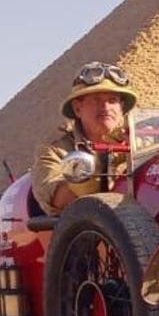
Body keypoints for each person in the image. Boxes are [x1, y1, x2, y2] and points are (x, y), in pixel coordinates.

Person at [31, 61, 137, 215]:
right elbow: (58, 199)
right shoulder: (55, 149)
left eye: (112, 100)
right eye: (96, 100)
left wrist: (142, 151)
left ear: (121, 109)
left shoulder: (140, 139)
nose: (106, 107)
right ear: (77, 108)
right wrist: (100, 163)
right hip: (86, 231)